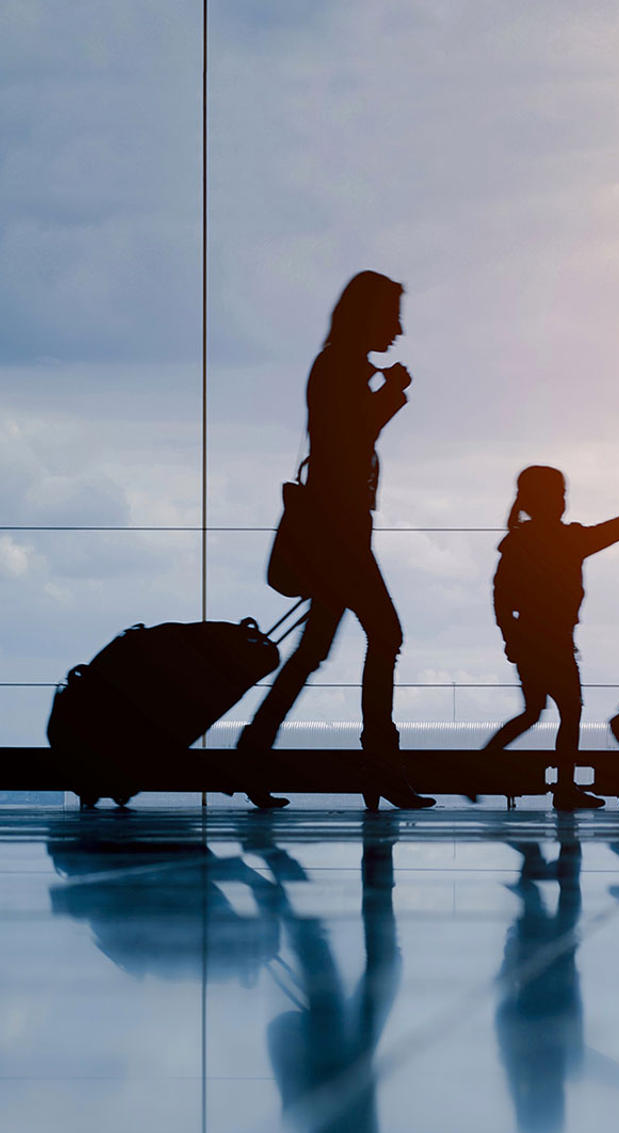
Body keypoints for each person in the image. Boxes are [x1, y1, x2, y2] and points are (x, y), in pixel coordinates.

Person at [240, 270, 432, 810]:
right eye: (391, 316)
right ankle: (380, 766)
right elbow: (350, 440)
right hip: (340, 534)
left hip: (337, 532)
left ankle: (254, 753)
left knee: (313, 651)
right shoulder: (342, 368)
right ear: (368, 316)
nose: (397, 329)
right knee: (385, 635)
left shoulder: (339, 366)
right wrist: (392, 391)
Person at [482, 465, 619, 810]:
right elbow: (605, 533)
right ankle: (564, 787)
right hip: (553, 642)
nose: (563, 500)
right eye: (560, 494)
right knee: (569, 711)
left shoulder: (520, 542)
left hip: (529, 640)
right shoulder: (565, 540)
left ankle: (481, 765)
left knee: (534, 711)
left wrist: (510, 638)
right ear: (551, 500)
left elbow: (501, 597)